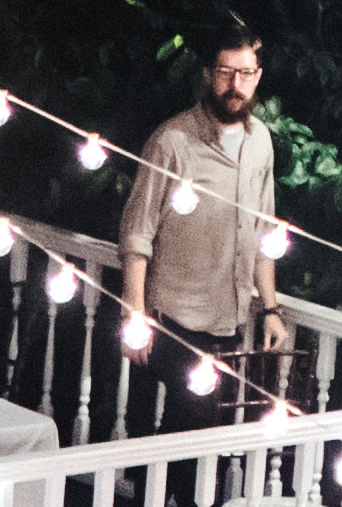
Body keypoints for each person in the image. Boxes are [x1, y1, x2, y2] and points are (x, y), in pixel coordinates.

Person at [118, 30, 286, 417]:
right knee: (170, 442)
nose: (235, 84)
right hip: (173, 321)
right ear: (209, 74)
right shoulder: (172, 141)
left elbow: (263, 232)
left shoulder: (260, 140)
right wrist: (135, 316)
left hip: (229, 322)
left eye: (245, 73)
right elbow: (137, 233)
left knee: (206, 443)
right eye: (226, 72)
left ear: (257, 76)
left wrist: (270, 309)